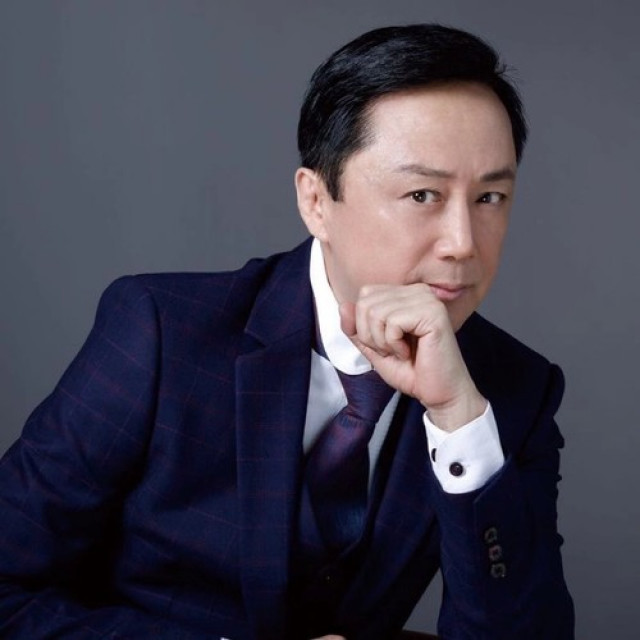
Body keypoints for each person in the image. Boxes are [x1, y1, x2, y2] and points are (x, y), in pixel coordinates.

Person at [0, 24, 574, 640]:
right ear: (316, 201)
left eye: (490, 198)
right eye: (422, 194)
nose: (463, 243)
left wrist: (459, 419)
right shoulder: (162, 332)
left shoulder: (510, 393)